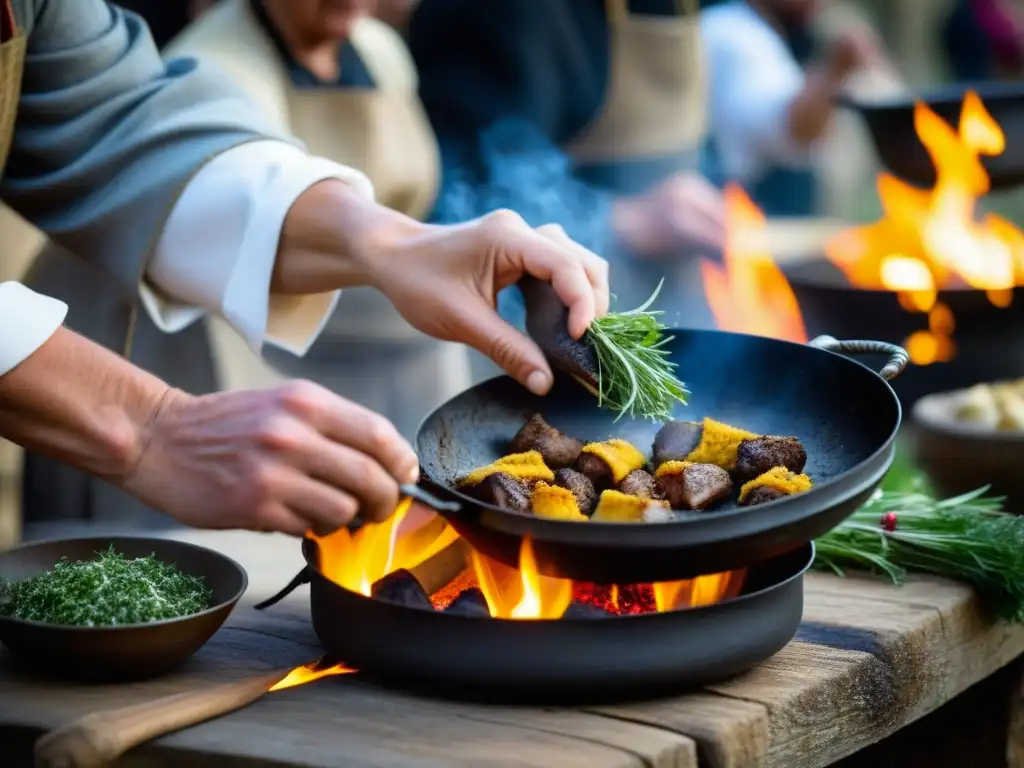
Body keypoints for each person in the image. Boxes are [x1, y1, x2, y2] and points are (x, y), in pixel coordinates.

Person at [0, 0, 609, 537]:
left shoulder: (383, 54)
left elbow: (117, 122)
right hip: (133, 349)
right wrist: (150, 426)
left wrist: (395, 245)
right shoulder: (223, 59)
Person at [162, 0, 468, 443]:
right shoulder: (211, 69)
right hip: (255, 348)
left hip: (380, 337)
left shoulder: (378, 50)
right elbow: (252, 245)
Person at [407, 0, 726, 339]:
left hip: (680, 312)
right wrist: (624, 220)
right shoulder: (507, 13)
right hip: (559, 329)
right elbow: (468, 193)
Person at [699, 0, 893, 216]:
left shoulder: (771, 33)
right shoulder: (732, 33)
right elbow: (792, 131)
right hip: (735, 220)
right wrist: (836, 68)